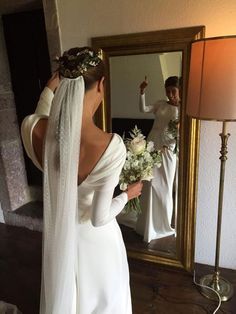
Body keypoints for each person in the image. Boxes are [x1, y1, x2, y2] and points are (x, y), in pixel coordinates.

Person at [21, 47, 143, 314]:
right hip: (96, 245)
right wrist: (127, 195)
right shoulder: (111, 146)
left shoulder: (34, 130)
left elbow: (40, 114)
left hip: (61, 238)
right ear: (101, 85)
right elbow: (100, 218)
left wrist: (49, 90)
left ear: (64, 84)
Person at [135, 75, 180, 243]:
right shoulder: (161, 104)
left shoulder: (183, 110)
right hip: (152, 144)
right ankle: (146, 222)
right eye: (168, 91)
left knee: (165, 186)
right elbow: (143, 109)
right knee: (150, 183)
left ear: (179, 90)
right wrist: (142, 91)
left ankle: (163, 223)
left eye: (173, 91)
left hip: (168, 150)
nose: (170, 95)